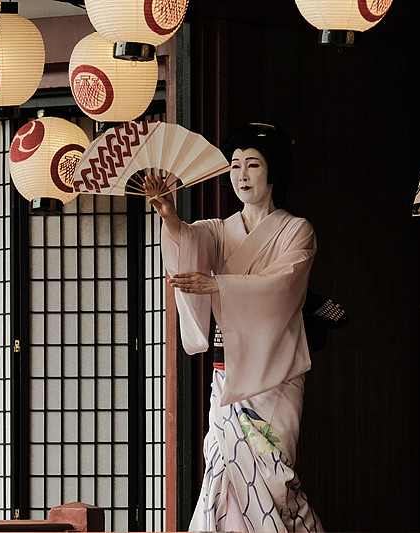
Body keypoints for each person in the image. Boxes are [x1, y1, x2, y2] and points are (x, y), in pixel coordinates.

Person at [146, 123, 323, 532]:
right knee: (224, 469)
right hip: (227, 376)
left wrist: (220, 284)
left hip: (275, 374)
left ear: (273, 171)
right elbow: (187, 243)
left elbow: (283, 286)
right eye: (235, 165)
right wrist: (171, 218)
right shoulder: (218, 230)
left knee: (272, 473)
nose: (241, 174)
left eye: (253, 164)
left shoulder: (296, 230)